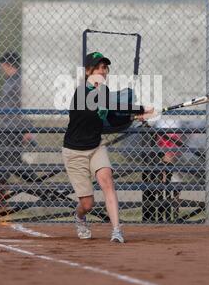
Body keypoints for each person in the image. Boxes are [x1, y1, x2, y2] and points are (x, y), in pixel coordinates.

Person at [62, 51, 154, 243]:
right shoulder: (82, 92)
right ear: (88, 71)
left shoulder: (103, 92)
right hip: (75, 152)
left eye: (105, 68)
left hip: (96, 146)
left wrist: (133, 117)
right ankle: (79, 217)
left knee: (107, 180)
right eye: (99, 68)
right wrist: (140, 108)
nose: (103, 72)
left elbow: (111, 117)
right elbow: (111, 104)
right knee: (87, 204)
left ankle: (116, 230)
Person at [0, 52, 36, 204]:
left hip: (14, 128)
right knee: (9, 162)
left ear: (9, 65)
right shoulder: (10, 81)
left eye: (3, 65)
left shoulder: (19, 82)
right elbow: (2, 103)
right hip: (5, 127)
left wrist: (29, 129)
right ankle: (36, 186)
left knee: (7, 163)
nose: (2, 69)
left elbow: (27, 105)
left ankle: (3, 198)